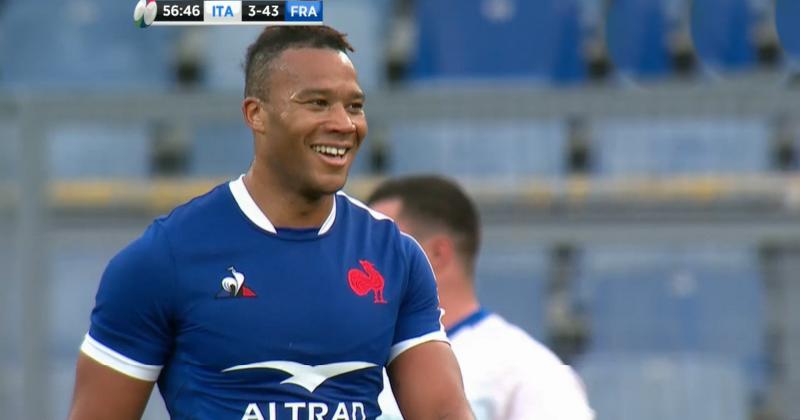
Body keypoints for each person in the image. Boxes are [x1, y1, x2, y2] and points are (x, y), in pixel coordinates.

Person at [68, 26, 473, 420]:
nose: (344, 124)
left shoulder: (393, 256)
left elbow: (443, 413)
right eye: (317, 103)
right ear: (256, 114)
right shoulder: (163, 258)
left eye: (354, 106)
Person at [367, 175, 595, 420]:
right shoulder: (351, 360)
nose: (363, 262)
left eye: (380, 248)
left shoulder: (527, 371)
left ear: (435, 255)